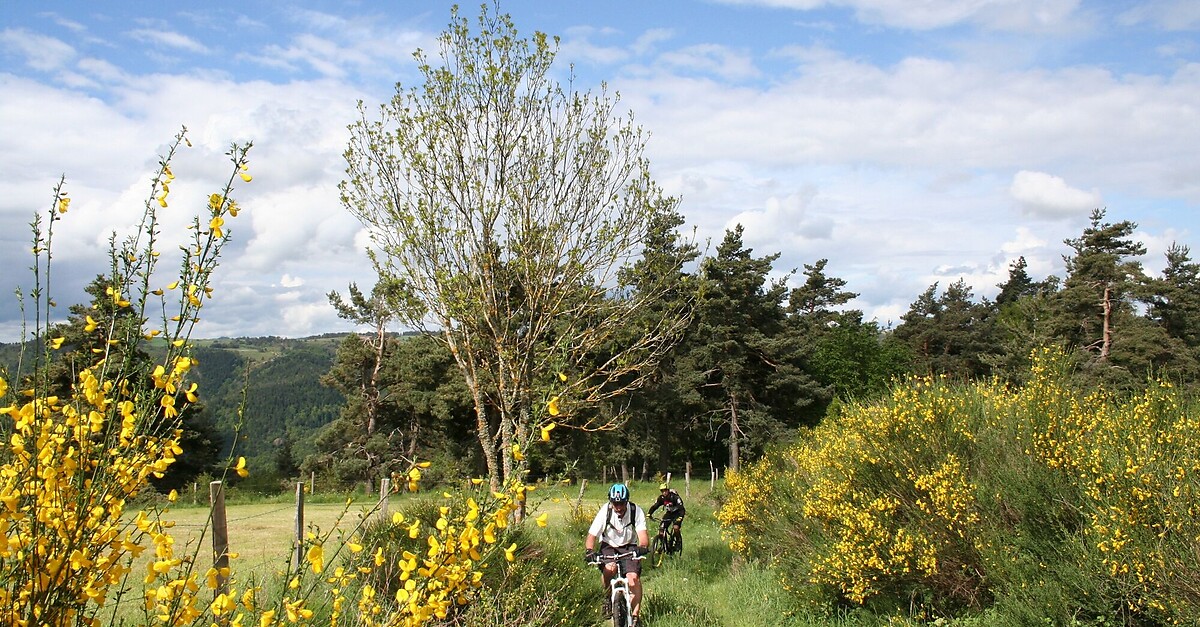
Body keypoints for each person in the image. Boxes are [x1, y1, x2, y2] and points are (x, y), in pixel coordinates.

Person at [584, 483, 649, 625]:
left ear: (627, 501)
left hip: (629, 546)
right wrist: (590, 551)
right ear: (611, 501)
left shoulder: (635, 511)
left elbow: (643, 535)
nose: (618, 507)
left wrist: (642, 547)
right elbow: (591, 536)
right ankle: (607, 597)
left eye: (621, 503)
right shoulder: (605, 512)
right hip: (609, 546)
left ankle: (635, 616)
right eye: (615, 503)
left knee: (633, 578)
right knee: (610, 569)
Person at [647, 482, 686, 552]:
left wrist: (680, 517)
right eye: (662, 491)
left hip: (678, 513)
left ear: (668, 490)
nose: (664, 492)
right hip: (669, 513)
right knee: (661, 529)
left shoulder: (674, 497)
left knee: (676, 527)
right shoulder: (661, 498)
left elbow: (681, 508)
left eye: (665, 490)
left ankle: (678, 542)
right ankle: (663, 545)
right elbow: (655, 506)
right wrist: (649, 513)